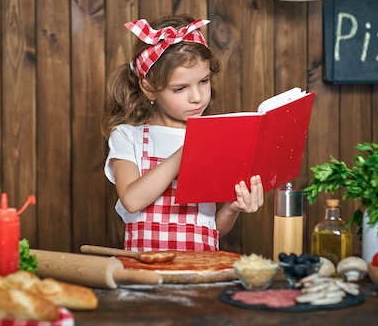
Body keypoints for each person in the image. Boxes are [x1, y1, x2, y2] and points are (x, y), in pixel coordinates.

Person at [100, 14, 264, 252]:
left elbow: (209, 230)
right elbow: (132, 200)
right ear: (149, 89)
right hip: (145, 275)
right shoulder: (127, 135)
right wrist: (189, 149)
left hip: (200, 272)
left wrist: (233, 208)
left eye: (204, 81)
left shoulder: (215, 137)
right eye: (180, 88)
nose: (197, 97)